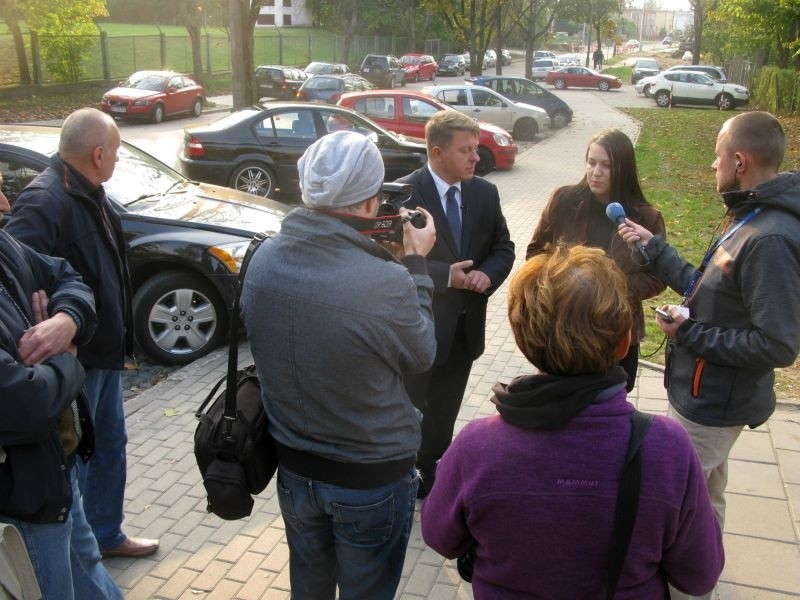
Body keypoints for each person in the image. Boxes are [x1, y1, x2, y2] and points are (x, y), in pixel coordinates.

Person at [420, 244, 724, 599]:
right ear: (625, 343)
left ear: (522, 340)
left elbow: (440, 537)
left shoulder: (477, 446)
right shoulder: (667, 447)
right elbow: (699, 576)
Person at [241, 130, 437, 599]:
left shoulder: (263, 259)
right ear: (371, 204)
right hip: (370, 479)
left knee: (307, 590)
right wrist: (416, 265)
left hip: (294, 469)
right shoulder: (386, 281)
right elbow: (422, 354)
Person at [618, 111, 800, 598]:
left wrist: (690, 334)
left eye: (717, 156)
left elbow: (779, 344)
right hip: (703, 392)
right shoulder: (749, 214)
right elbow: (712, 288)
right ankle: (701, 580)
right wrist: (654, 248)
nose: (711, 165)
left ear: (739, 161)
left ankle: (683, 585)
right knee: (706, 494)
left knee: (677, 504)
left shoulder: (770, 238)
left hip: (714, 403)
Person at [5, 108, 159, 559]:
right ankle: (82, 550)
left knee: (110, 444)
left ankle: (106, 534)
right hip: (78, 362)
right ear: (97, 153)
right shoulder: (45, 201)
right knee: (86, 455)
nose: (116, 160)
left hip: (102, 354)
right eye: (114, 152)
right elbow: (17, 278)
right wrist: (58, 328)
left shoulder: (88, 192)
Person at [0, 179, 123, 599]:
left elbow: (67, 276)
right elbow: (21, 403)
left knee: (90, 574)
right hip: (23, 499)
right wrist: (66, 357)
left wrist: (64, 320)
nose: (4, 203)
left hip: (56, 473)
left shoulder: (4, 248)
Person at [397, 110, 515, 498]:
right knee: (408, 411)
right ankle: (400, 475)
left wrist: (488, 275)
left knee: (444, 414)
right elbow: (393, 259)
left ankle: (429, 478)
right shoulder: (405, 195)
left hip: (463, 330)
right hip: (417, 329)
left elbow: (503, 247)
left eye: (476, 148)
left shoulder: (485, 192)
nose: (475, 158)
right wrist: (448, 276)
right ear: (436, 154)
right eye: (466, 150)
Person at [526, 128, 666, 391]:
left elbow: (657, 277)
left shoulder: (646, 217)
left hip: (617, 328)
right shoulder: (564, 201)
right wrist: (562, 281)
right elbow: (535, 253)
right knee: (559, 400)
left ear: (623, 169)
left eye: (606, 165)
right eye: (591, 162)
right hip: (564, 325)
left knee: (610, 407)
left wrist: (610, 289)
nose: (596, 172)